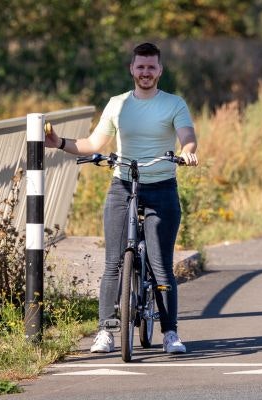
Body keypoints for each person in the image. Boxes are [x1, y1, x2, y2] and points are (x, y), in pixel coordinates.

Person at [45, 42, 198, 354]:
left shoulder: (174, 104)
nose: (145, 72)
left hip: (162, 187)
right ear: (132, 69)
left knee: (161, 265)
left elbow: (187, 137)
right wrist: (59, 142)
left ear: (160, 70)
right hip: (123, 186)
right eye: (140, 67)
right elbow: (93, 142)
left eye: (151, 67)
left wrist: (187, 153)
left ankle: (170, 333)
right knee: (113, 263)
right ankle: (106, 331)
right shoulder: (117, 104)